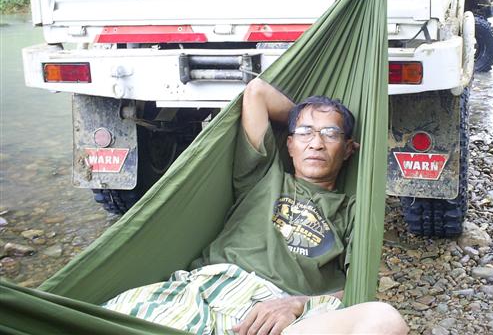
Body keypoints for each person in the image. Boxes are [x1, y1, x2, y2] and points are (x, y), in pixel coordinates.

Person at [103, 78, 408, 335]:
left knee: (386, 320)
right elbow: (257, 91)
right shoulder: (262, 175)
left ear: (349, 149)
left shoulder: (352, 211)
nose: (316, 143)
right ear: (289, 144)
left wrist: (297, 304)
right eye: (305, 133)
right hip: (210, 291)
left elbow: (357, 290)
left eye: (330, 134)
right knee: (109, 317)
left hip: (287, 316)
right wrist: (303, 116)